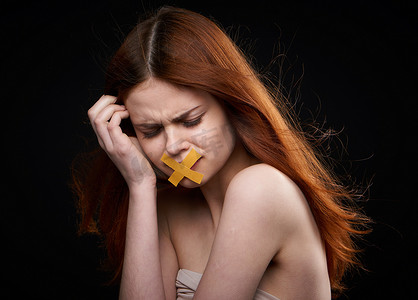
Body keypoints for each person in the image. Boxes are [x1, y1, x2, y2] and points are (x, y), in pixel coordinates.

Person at [72, 6, 370, 299]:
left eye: (190, 120)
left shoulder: (261, 189)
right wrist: (140, 185)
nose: (174, 145)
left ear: (230, 103)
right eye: (151, 131)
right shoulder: (166, 207)